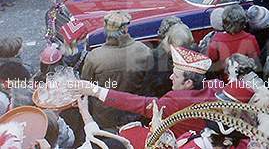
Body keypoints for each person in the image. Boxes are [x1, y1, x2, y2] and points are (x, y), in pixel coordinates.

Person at [77, 46, 224, 137]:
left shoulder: (176, 102)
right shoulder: (215, 86)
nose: (171, 77)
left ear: (189, 83)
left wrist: (95, 90)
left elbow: (138, 104)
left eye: (176, 75)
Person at [206, 5, 260, 78]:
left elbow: (210, 60)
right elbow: (255, 61)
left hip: (225, 80)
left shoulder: (216, 40)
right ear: (243, 22)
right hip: (246, 79)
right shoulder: (250, 39)